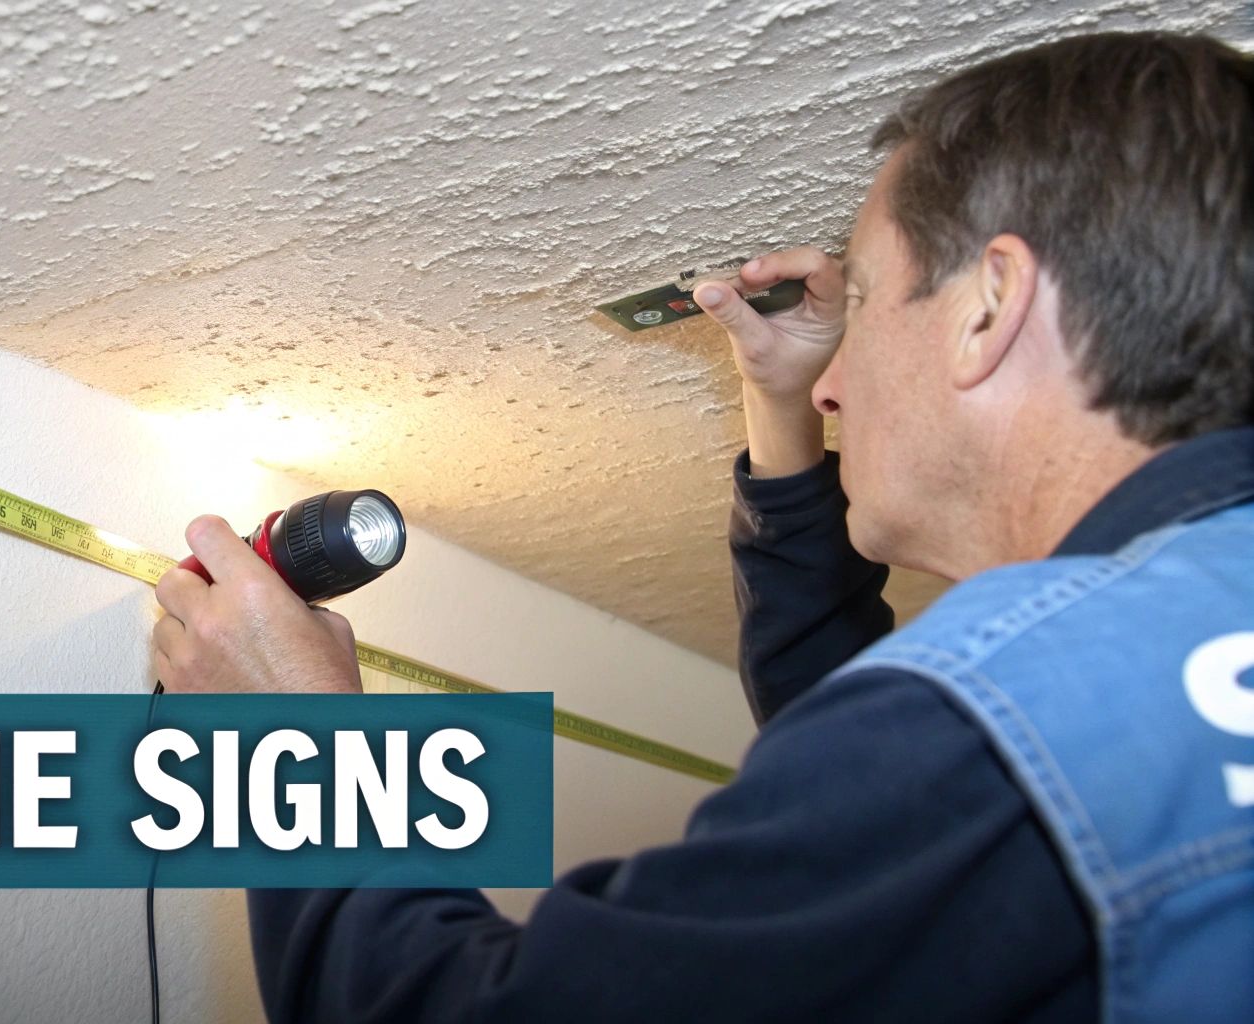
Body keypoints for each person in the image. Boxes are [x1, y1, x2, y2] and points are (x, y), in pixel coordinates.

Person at [151, 31, 1253, 1023]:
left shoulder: (999, 723)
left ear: (985, 305)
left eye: (867, 299)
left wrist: (295, 744)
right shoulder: (1139, 668)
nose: (832, 386)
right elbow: (851, 739)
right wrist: (780, 414)